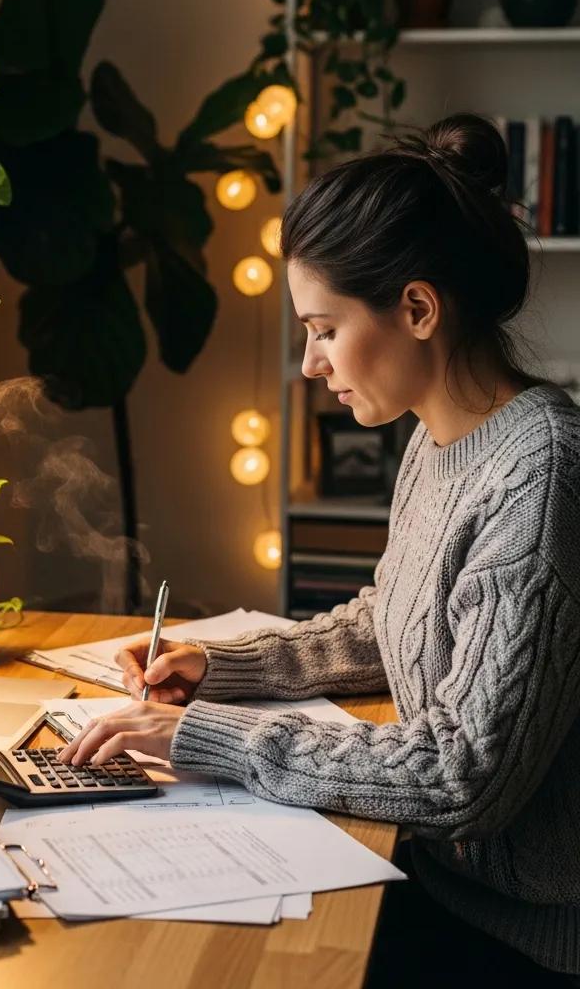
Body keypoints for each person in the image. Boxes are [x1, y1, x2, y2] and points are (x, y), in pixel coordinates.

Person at [58, 113, 580, 982]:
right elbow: (394, 618)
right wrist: (218, 668)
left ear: (418, 309)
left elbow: (463, 774)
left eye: (324, 328)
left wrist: (203, 736)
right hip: (434, 877)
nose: (310, 363)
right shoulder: (442, 436)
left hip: (518, 935)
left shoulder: (542, 474)